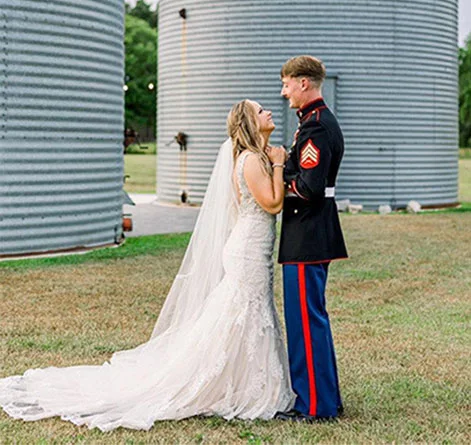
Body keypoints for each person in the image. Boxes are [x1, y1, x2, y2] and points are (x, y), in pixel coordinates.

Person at [0, 100, 295, 432]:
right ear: (249, 123)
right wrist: (281, 165)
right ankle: (230, 384)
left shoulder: (252, 157)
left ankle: (239, 380)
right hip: (248, 250)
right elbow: (272, 204)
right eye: (260, 111)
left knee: (243, 314)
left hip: (251, 247)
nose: (268, 112)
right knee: (246, 312)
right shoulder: (253, 159)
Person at [274, 55, 348, 422]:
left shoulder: (315, 127)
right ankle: (326, 399)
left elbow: (308, 187)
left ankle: (315, 406)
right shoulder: (313, 121)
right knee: (311, 318)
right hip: (313, 231)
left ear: (304, 83)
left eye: (287, 83)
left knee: (305, 321)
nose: (284, 90)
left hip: (308, 232)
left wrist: (277, 171)